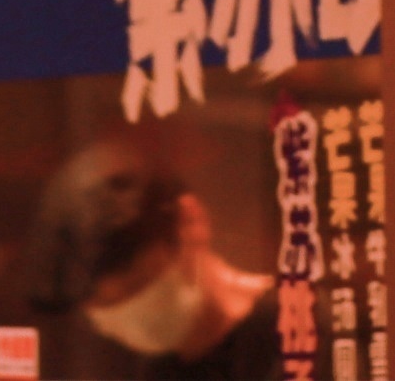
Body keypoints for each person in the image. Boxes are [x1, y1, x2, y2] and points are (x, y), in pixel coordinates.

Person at [27, 148, 287, 380]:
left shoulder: (297, 334)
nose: (131, 326)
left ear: (190, 221)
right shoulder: (151, 369)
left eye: (137, 290)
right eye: (107, 312)